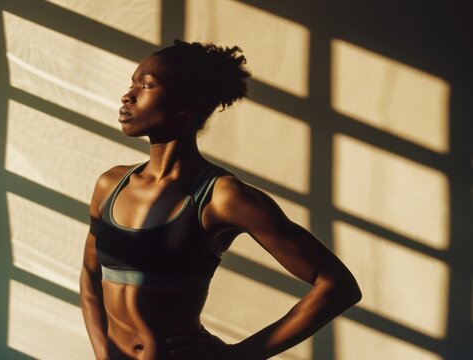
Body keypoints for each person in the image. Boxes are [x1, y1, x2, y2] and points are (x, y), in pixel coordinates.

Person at [80, 39, 361, 360]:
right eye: (132, 83)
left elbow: (338, 286)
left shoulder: (222, 197)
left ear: (186, 104)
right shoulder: (110, 184)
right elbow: (90, 275)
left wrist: (239, 355)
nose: (127, 95)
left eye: (146, 85)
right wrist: (103, 355)